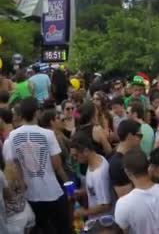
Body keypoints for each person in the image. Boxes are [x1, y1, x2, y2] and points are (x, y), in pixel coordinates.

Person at [2, 97, 72, 233]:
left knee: (42, 229)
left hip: (31, 194)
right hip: (52, 192)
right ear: (36, 113)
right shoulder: (48, 134)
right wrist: (69, 187)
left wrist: (22, 182)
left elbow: (13, 164)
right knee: (63, 228)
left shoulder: (12, 137)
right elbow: (57, 165)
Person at [68, 133, 113, 220]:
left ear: (86, 151)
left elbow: (106, 205)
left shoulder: (99, 175)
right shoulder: (96, 159)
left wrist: (84, 212)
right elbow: (96, 190)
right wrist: (82, 192)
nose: (75, 159)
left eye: (76, 155)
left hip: (101, 221)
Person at [108, 119, 142, 198]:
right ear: (130, 136)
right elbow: (126, 197)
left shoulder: (126, 156)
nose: (141, 139)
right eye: (139, 136)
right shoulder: (117, 164)